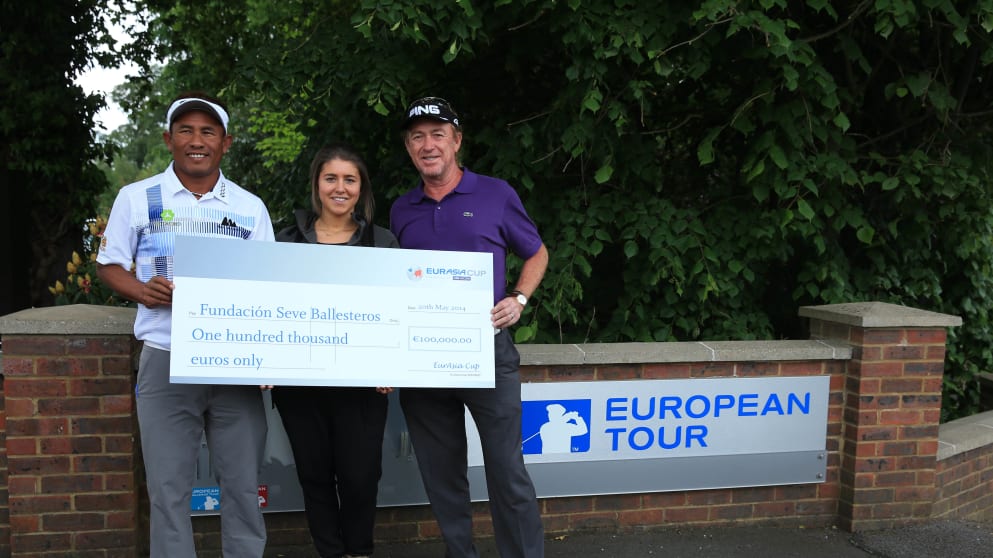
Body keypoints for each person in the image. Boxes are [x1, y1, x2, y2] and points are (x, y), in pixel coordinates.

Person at [96, 92, 273, 557]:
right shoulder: (136, 198)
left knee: (242, 487)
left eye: (208, 131)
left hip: (234, 363)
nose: (197, 140)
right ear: (168, 138)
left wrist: (269, 355)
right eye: (186, 130)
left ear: (226, 142)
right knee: (168, 490)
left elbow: (270, 283)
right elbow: (109, 264)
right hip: (166, 358)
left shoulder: (249, 207)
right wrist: (140, 290)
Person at [390, 97, 550, 558]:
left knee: (506, 471)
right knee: (442, 477)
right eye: (417, 136)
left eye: (438, 134)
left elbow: (536, 252)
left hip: (488, 352)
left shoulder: (495, 194)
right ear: (409, 148)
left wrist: (518, 299)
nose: (428, 144)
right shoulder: (402, 209)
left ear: (456, 141)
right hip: (423, 359)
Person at [271, 144, 397, 558]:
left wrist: (390, 365)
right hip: (299, 385)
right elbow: (268, 307)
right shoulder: (284, 241)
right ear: (316, 185)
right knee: (315, 477)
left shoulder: (382, 242)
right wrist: (260, 355)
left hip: (363, 386)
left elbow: (396, 312)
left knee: (361, 477)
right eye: (331, 178)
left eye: (349, 179)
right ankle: (330, 552)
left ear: (361, 189)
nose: (339, 188)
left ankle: (359, 551)